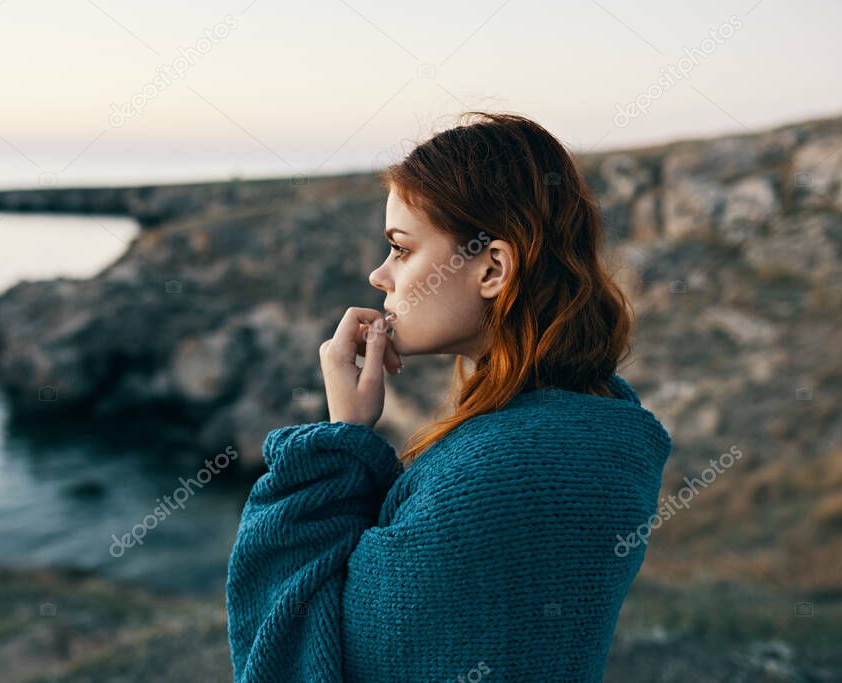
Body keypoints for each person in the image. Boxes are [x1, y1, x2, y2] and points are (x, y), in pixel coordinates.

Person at [226, 111, 673, 682]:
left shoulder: (488, 479)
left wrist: (337, 447)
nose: (378, 275)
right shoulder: (606, 424)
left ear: (492, 269)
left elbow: (293, 659)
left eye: (402, 249)